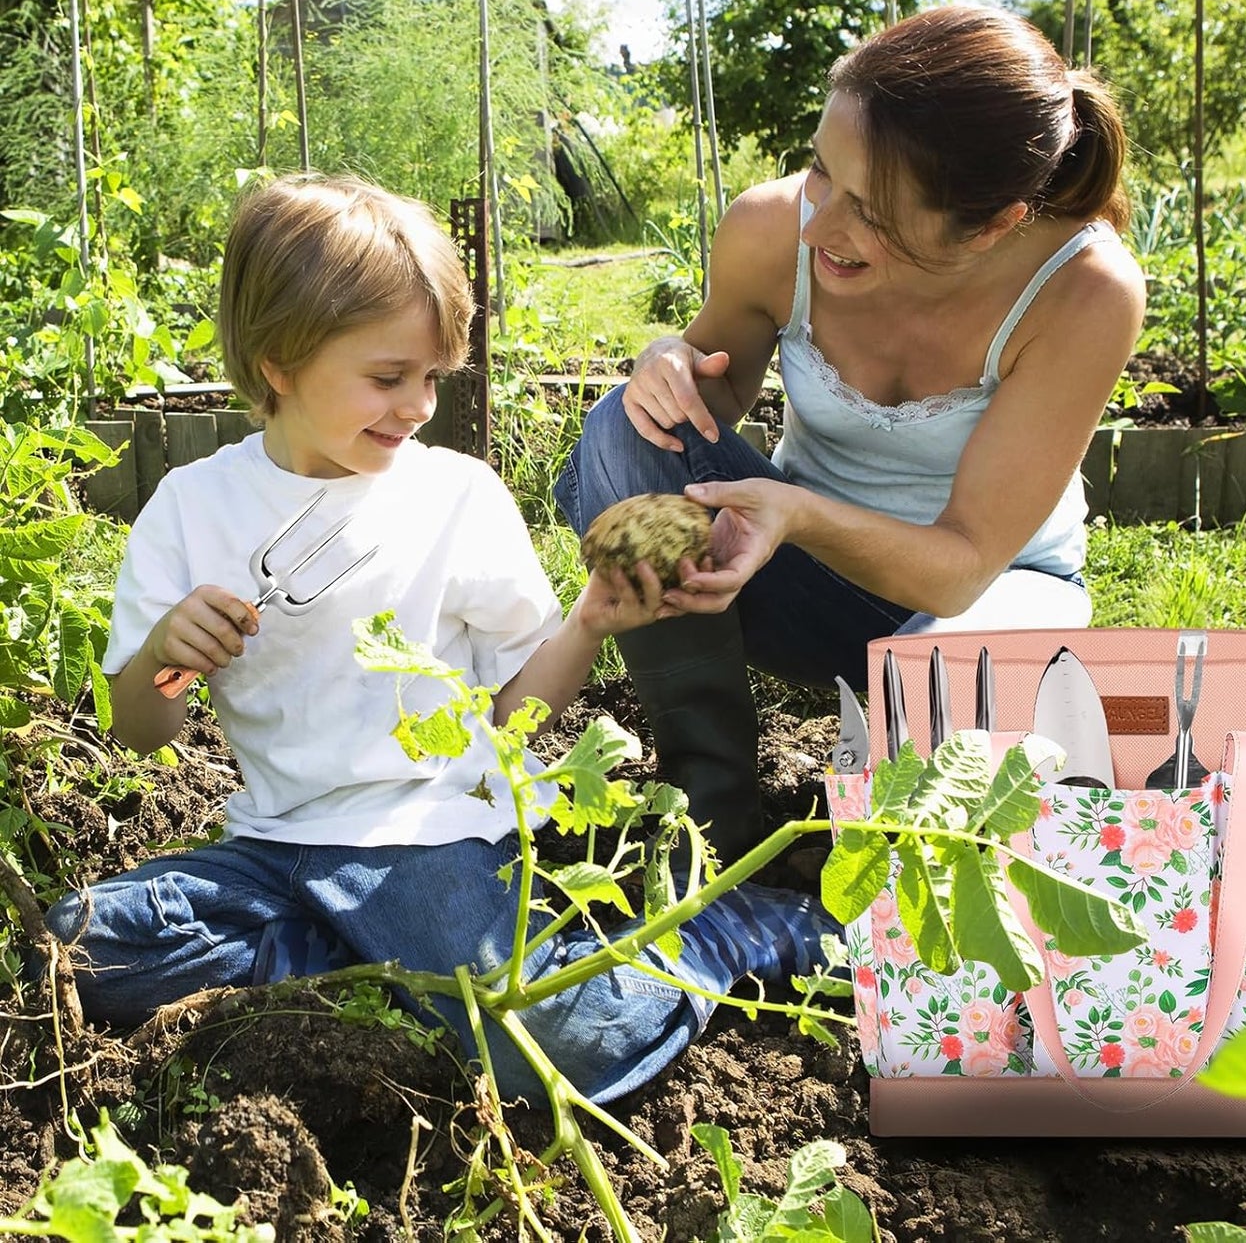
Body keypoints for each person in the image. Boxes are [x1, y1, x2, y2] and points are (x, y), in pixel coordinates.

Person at [46, 174, 833, 1107]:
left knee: (563, 1044)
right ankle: (367, 971)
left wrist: (587, 620)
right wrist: (164, 656)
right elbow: (141, 731)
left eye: (431, 377)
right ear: (277, 361)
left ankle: (721, 933)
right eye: (387, 378)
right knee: (80, 946)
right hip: (273, 846)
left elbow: (511, 714)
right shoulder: (191, 507)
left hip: (422, 837)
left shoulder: (452, 495)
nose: (418, 404)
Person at [555, 6, 1147, 864]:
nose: (818, 223)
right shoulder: (770, 229)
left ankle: (853, 851)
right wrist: (669, 361)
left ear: (992, 224)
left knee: (937, 708)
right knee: (624, 429)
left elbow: (963, 563)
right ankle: (711, 808)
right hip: (798, 581)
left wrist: (796, 513)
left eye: (870, 212)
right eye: (819, 172)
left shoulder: (1082, 291)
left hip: (982, 596)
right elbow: (709, 392)